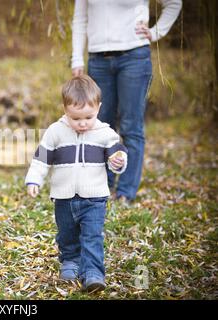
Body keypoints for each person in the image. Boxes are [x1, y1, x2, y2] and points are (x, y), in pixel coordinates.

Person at [71, 0, 182, 203]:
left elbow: (174, 2)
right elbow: (80, 19)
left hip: (134, 57)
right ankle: (102, 187)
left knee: (131, 126)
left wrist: (156, 32)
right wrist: (76, 58)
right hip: (98, 60)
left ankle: (125, 192)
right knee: (100, 127)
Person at [25, 75, 128, 292]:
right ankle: (70, 261)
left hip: (94, 198)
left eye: (88, 117)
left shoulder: (105, 134)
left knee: (92, 235)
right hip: (64, 197)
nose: (82, 123)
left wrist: (118, 161)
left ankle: (93, 272)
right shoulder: (56, 132)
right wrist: (34, 178)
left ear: (98, 108)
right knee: (67, 234)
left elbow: (117, 156)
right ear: (65, 109)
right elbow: (41, 158)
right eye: (75, 118)